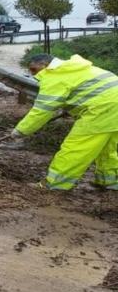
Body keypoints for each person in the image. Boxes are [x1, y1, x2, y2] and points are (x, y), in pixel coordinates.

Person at [12, 53, 118, 190]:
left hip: (103, 109)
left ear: (45, 66)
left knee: (76, 147)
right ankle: (110, 181)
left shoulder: (54, 76)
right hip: (112, 105)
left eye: (34, 70)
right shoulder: (73, 67)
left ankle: (55, 184)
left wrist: (21, 130)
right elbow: (86, 90)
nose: (33, 75)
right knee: (108, 147)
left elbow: (41, 111)